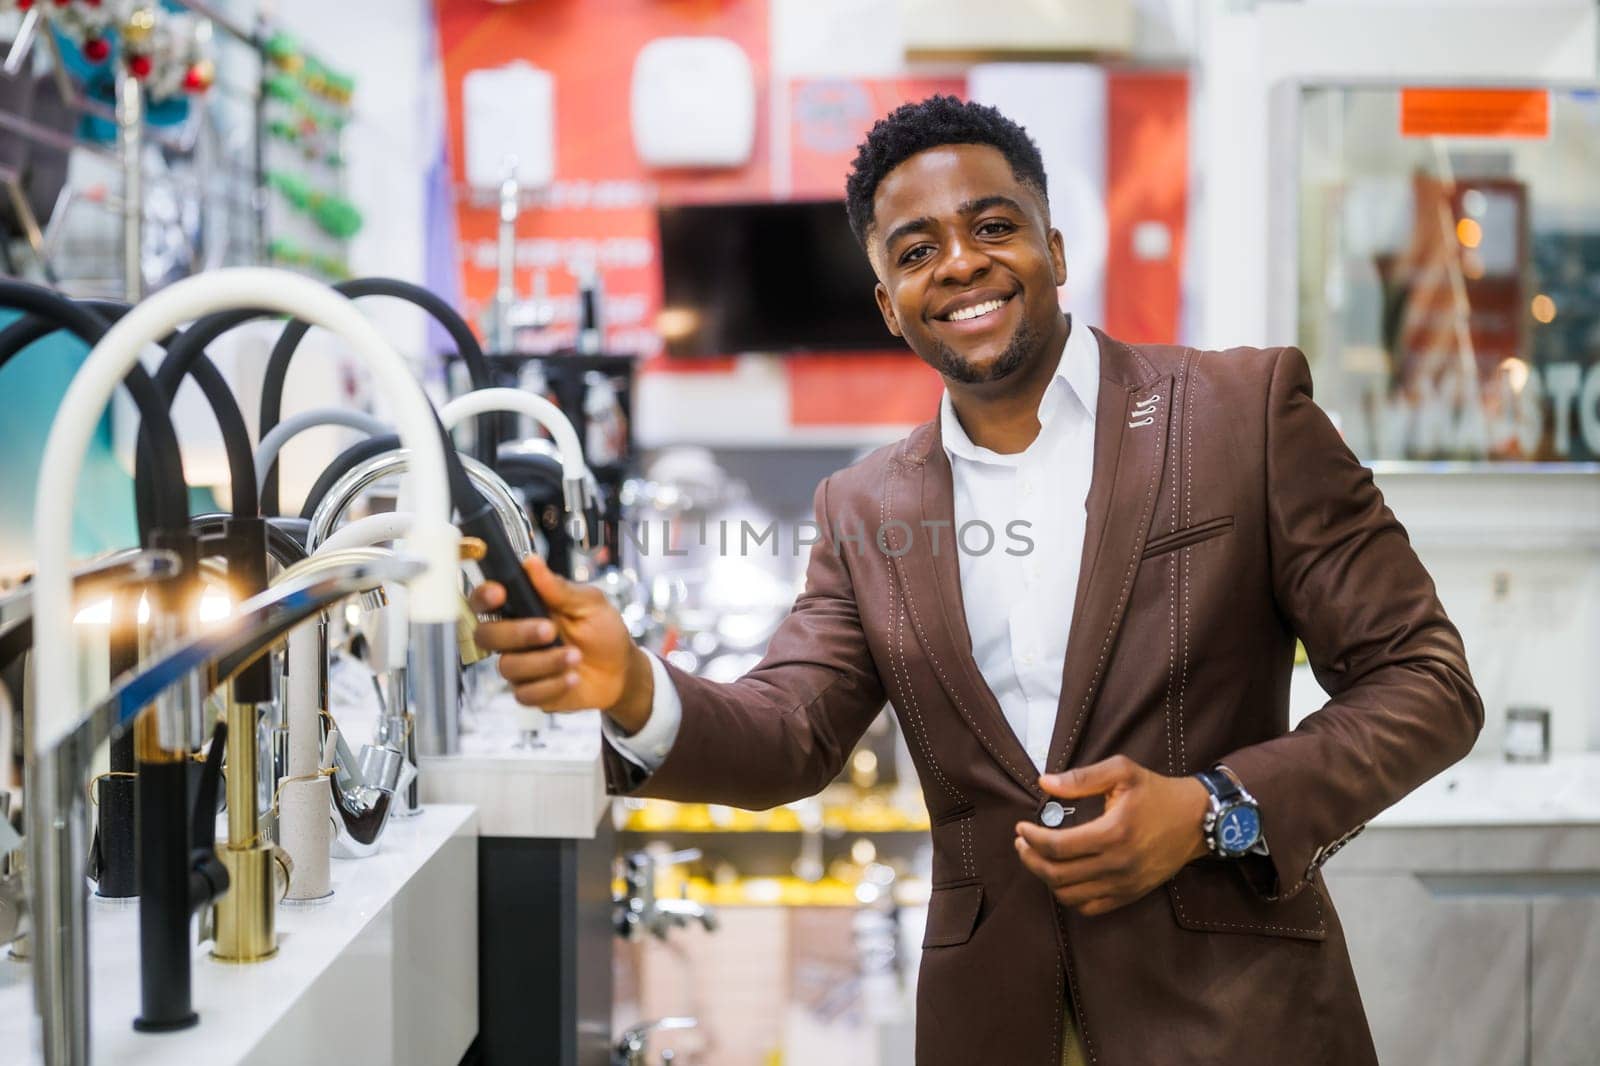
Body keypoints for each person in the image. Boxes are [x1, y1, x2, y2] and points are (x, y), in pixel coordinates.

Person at [471, 96, 1482, 1066]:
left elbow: (1424, 679)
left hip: (1231, 1015)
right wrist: (633, 687)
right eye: (915, 251)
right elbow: (789, 732)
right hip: (996, 1023)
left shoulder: (1238, 412)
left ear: (1055, 246)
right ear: (887, 305)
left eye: (991, 225)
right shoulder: (865, 508)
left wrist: (1213, 806)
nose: (959, 263)